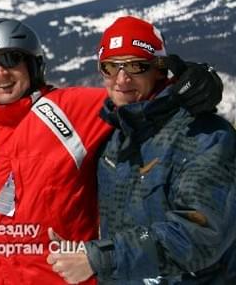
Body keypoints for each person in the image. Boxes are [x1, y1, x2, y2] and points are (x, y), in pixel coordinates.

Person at [0, 18, 223, 285]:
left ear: (32, 65)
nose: (0, 72)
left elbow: (137, 97)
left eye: (11, 60)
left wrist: (194, 80)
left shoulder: (71, 110)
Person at [47, 16, 236, 284]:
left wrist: (101, 258)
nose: (121, 79)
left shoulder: (202, 135)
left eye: (136, 66)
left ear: (160, 69)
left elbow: (200, 234)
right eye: (110, 66)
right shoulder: (113, 133)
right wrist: (83, 247)